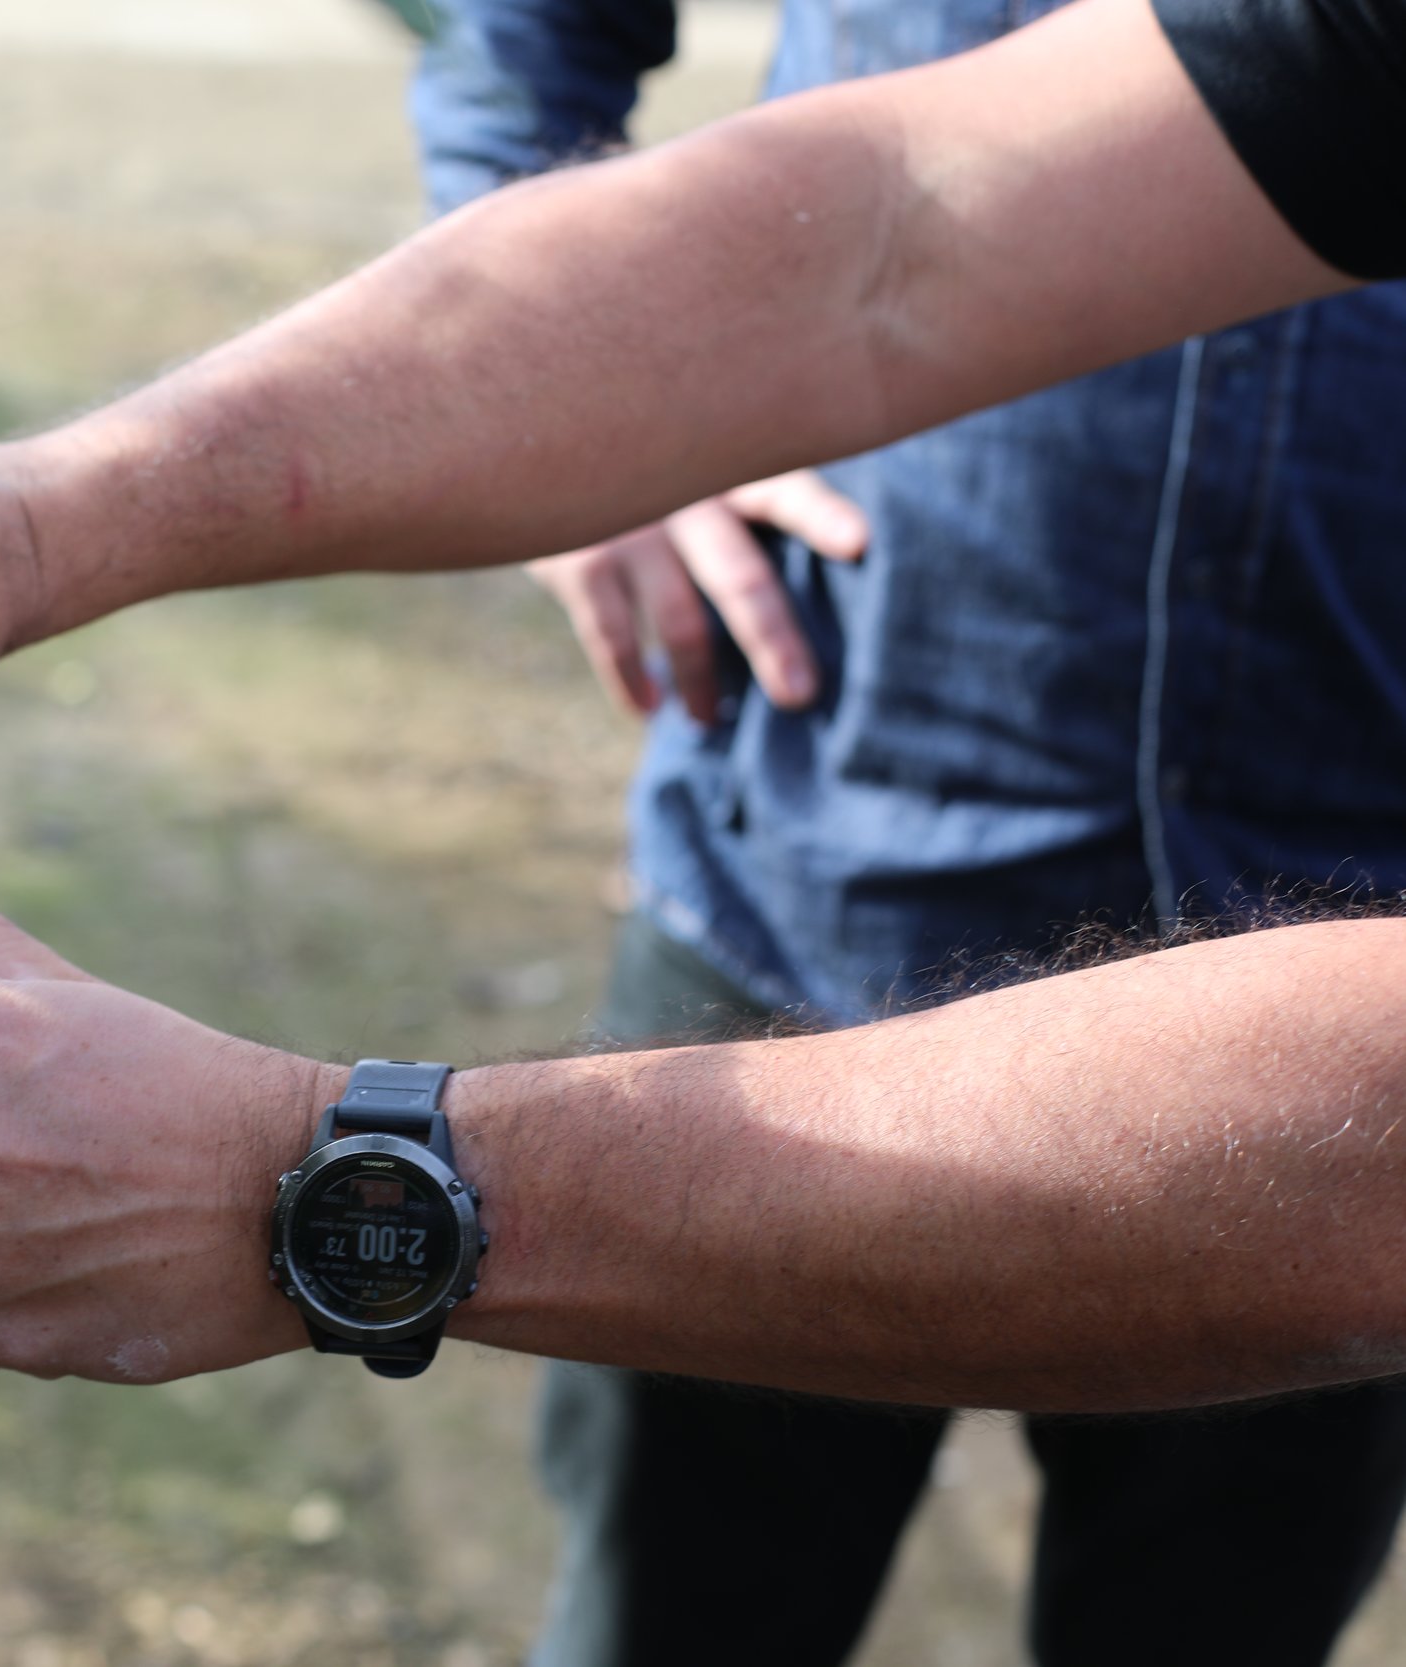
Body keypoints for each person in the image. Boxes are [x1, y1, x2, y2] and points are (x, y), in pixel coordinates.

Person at [0, 0, 1406, 1423]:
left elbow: (1366, 1175)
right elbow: (885, 233)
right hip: (815, 840)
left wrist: (321, 1185)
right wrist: (23, 527)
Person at [409, 0, 1406, 1663]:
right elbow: (529, 40)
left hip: (1344, 978)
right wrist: (554, 389)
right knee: (676, 1615)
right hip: (814, 857)